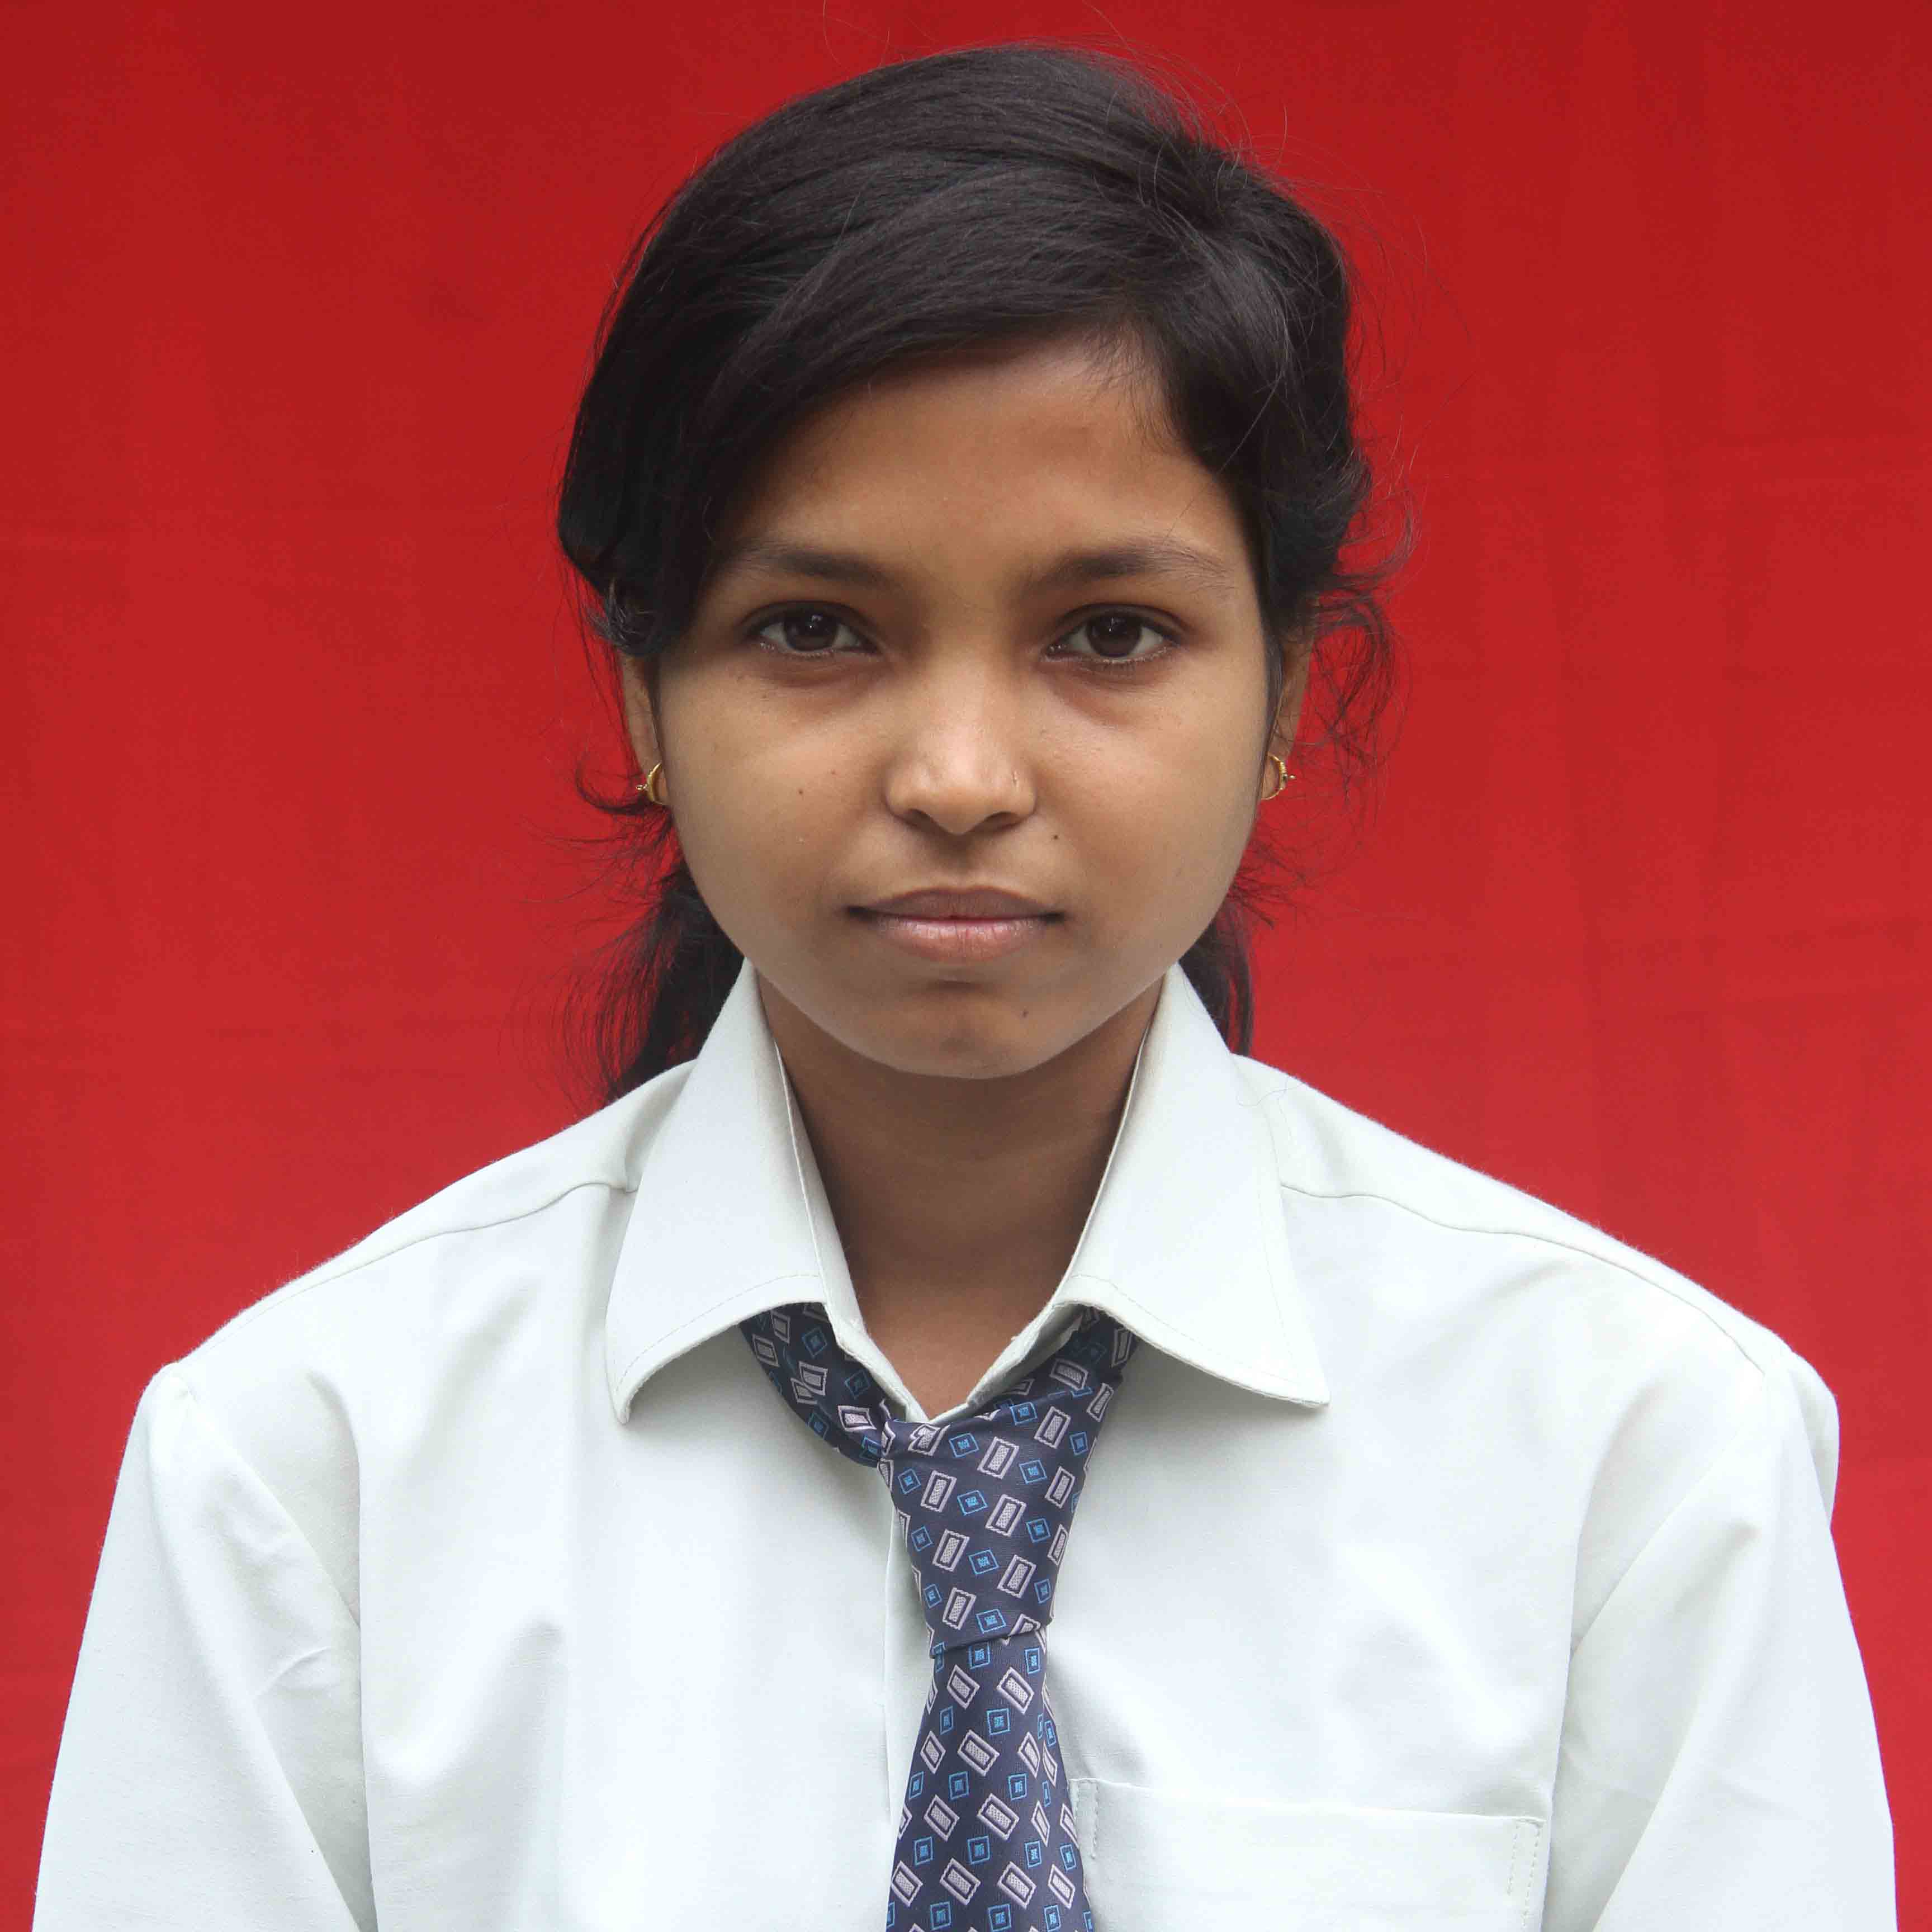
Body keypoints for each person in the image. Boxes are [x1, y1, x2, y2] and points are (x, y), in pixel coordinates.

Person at [34, 40, 1894, 1932]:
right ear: (641, 698)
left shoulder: (1633, 1458)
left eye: (1111, 634)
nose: (959, 776)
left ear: (1288, 697)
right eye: (815, 629)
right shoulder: (311, 1475)